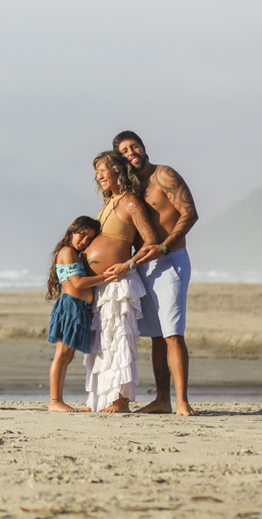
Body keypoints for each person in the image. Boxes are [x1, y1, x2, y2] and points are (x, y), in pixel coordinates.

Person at [110, 130, 199, 416]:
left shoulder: (164, 175)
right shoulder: (130, 187)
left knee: (173, 333)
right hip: (143, 265)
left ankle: (182, 402)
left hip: (171, 259)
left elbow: (189, 214)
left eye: (134, 146)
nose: (131, 152)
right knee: (157, 336)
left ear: (143, 147)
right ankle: (163, 399)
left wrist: (165, 245)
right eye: (124, 151)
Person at [82, 150, 163, 413]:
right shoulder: (108, 202)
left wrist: (127, 265)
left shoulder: (130, 202)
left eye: (103, 170)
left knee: (119, 339)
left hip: (120, 283)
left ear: (117, 170)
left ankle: (121, 400)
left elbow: (150, 241)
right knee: (102, 342)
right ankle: (103, 400)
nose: (99, 176)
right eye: (97, 172)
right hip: (101, 284)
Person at [45, 215, 107, 412]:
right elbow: (78, 283)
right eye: (81, 235)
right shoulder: (67, 252)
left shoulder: (75, 253)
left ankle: (57, 400)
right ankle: (54, 401)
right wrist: (107, 276)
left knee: (67, 356)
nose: (84, 241)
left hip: (79, 308)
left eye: (89, 239)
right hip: (71, 306)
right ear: (72, 228)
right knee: (62, 355)